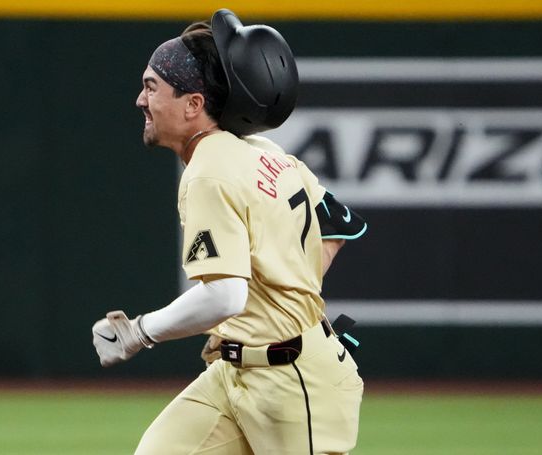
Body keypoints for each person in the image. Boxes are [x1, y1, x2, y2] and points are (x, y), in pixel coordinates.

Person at [91, 9, 367, 454]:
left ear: (193, 105)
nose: (141, 101)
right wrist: (291, 293)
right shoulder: (262, 149)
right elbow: (339, 222)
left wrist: (141, 331)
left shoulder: (208, 173)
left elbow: (224, 296)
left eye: (151, 87)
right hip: (236, 371)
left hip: (293, 381)